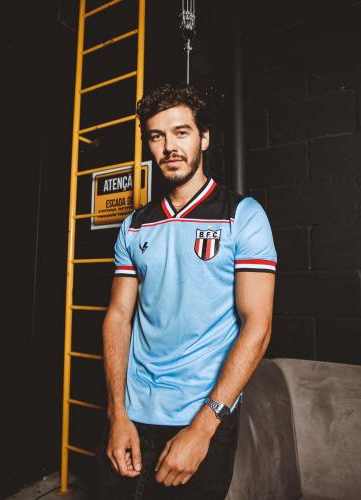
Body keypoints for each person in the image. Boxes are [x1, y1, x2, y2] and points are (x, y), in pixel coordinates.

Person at [98, 83, 277, 499]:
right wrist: (116, 412)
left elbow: (258, 325)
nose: (169, 147)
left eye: (181, 132)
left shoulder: (242, 216)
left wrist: (203, 427)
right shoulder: (134, 226)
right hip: (134, 413)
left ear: (204, 138)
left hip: (201, 414)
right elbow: (118, 316)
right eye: (157, 136)